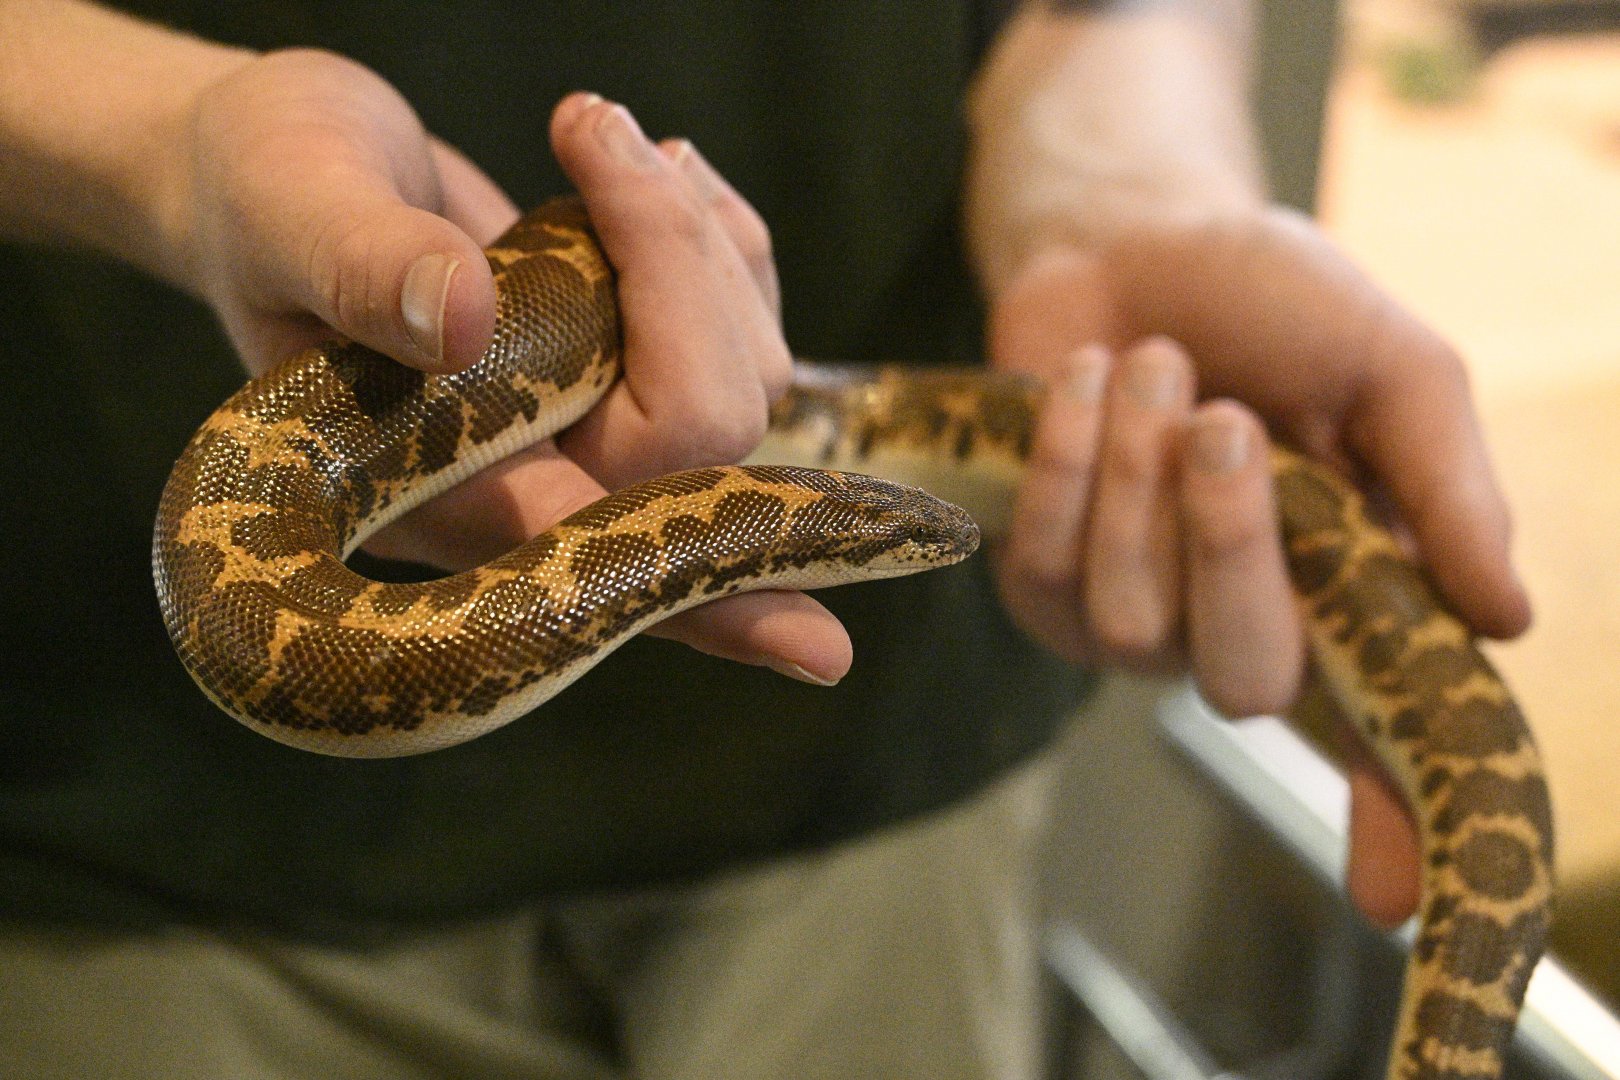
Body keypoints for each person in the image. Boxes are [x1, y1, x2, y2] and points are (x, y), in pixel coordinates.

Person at [0, 1, 1530, 1077]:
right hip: (153, 841)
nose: (918, 541)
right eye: (890, 539)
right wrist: (168, 142)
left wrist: (1120, 220)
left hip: (872, 817)